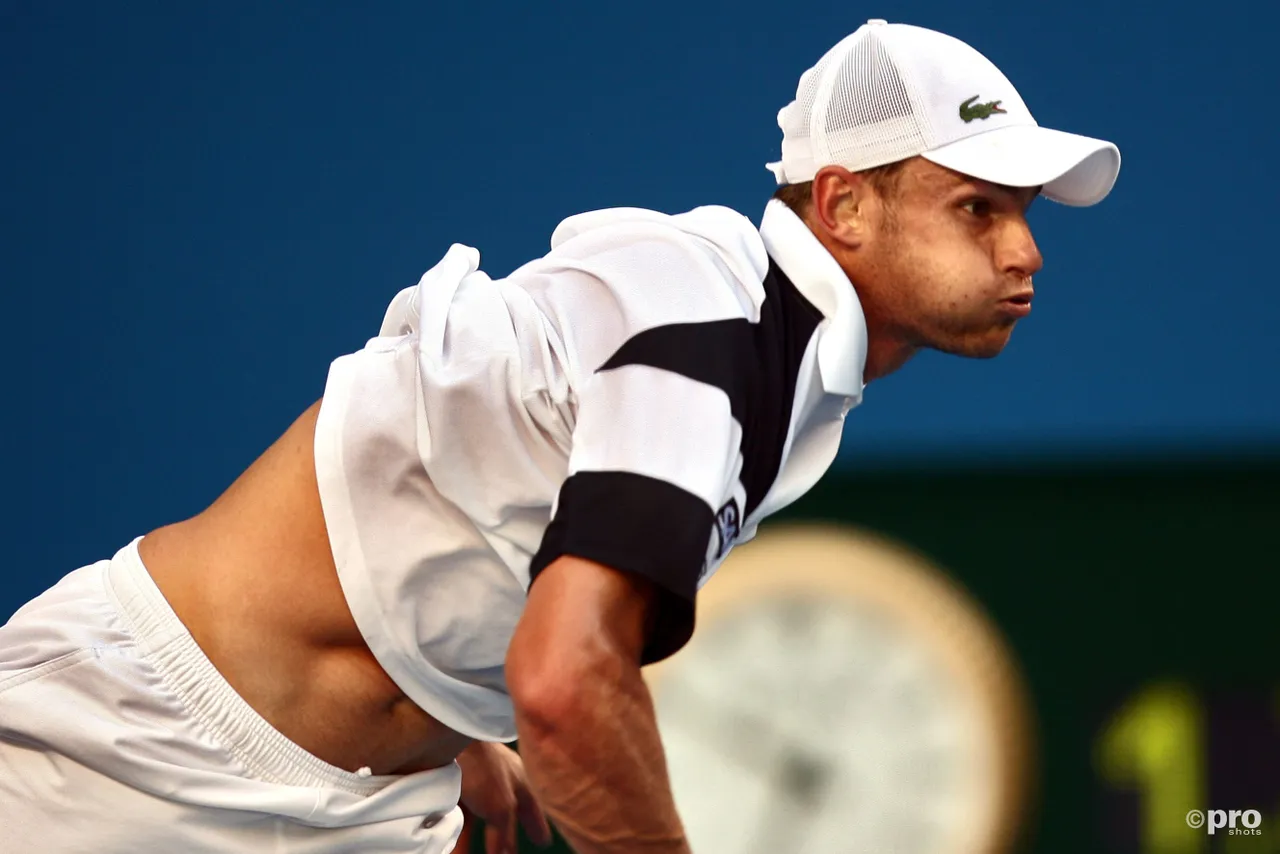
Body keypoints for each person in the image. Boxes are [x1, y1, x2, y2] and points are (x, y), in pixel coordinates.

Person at [0, 18, 1119, 854]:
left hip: (358, 800)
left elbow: (473, 490)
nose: (1023, 252)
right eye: (977, 208)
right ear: (840, 208)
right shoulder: (712, 322)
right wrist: (520, 709)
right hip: (133, 737)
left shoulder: (773, 363)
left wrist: (454, 716)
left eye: (1022, 216)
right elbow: (567, 678)